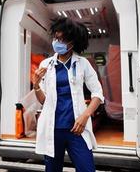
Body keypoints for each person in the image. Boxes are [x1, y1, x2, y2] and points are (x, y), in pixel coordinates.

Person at [32, 17, 104, 172]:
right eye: (56, 38)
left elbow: (98, 93)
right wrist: (36, 85)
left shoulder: (83, 64)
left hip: (76, 130)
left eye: (62, 40)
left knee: (87, 169)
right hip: (53, 129)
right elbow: (44, 101)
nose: (57, 42)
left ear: (72, 43)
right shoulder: (46, 64)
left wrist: (85, 116)